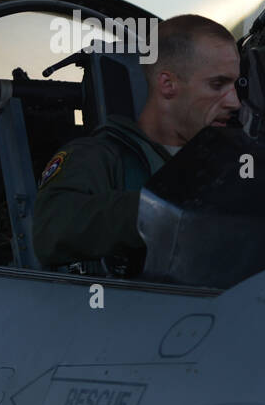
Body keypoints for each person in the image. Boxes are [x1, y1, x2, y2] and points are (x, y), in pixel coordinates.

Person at [32, 14, 241, 273]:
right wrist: (161, 211)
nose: (234, 102)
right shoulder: (98, 157)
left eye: (234, 85)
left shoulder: (231, 159)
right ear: (167, 84)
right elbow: (51, 231)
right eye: (217, 84)